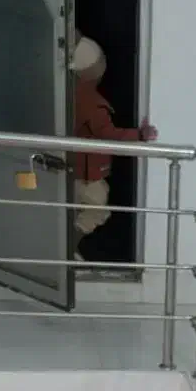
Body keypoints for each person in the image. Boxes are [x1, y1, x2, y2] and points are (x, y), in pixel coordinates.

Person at [70, 35, 157, 256]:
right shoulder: (91, 102)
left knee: (71, 209)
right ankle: (65, 251)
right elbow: (108, 135)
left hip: (69, 166)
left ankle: (66, 251)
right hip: (85, 172)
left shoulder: (67, 94)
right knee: (97, 211)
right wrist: (140, 135)